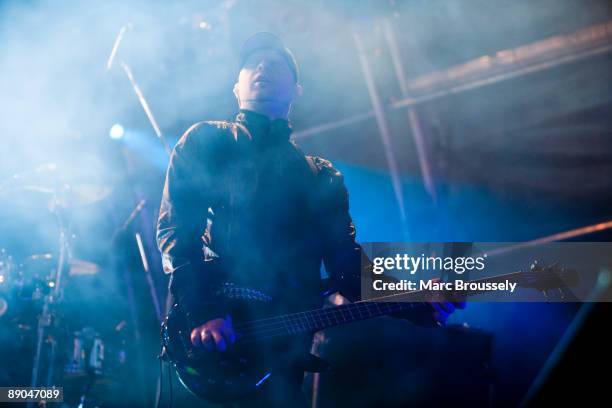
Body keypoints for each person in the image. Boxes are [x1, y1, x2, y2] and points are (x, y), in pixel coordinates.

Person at [156, 32, 464, 406]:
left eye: (276, 62)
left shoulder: (321, 176)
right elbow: (176, 233)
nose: (263, 66)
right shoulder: (205, 141)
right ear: (235, 88)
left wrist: (416, 301)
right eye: (252, 63)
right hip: (208, 342)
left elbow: (348, 268)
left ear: (296, 90)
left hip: (283, 352)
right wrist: (204, 312)